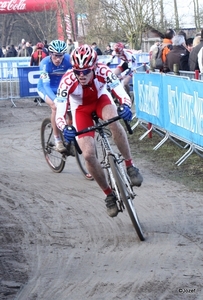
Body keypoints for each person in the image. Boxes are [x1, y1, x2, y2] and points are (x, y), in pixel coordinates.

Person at [55, 44, 143, 218]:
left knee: (114, 121)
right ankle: (109, 195)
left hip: (101, 99)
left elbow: (121, 93)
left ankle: (130, 165)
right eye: (77, 71)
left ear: (94, 67)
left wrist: (125, 105)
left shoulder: (104, 71)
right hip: (80, 109)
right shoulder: (67, 81)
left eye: (86, 71)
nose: (81, 75)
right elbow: (59, 112)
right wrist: (65, 128)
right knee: (88, 154)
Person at [37, 40, 72, 152]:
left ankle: (68, 137)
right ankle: (57, 140)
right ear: (50, 54)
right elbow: (46, 86)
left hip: (62, 88)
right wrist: (56, 100)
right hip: (46, 88)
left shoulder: (68, 60)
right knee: (55, 107)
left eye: (61, 56)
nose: (58, 59)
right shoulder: (44, 63)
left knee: (73, 110)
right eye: (56, 56)